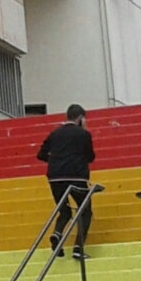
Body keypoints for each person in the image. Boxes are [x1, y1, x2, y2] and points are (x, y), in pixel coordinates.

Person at [37, 104, 96, 261]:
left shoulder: (55, 133)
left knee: (64, 210)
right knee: (85, 210)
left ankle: (57, 234)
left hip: (55, 177)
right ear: (80, 118)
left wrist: (56, 160)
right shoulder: (83, 134)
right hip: (77, 176)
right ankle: (78, 248)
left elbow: (40, 154)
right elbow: (91, 157)